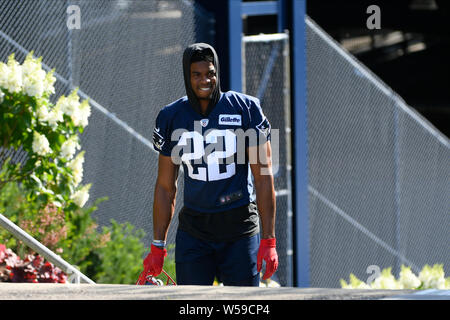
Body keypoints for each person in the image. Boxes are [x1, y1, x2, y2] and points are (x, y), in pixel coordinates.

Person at [143, 43, 278, 286]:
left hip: (239, 228)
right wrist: (158, 245)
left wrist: (269, 240)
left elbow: (264, 177)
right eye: (197, 74)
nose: (205, 80)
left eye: (210, 73)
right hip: (195, 232)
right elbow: (165, 187)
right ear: (187, 76)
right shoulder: (171, 116)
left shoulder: (245, 109)